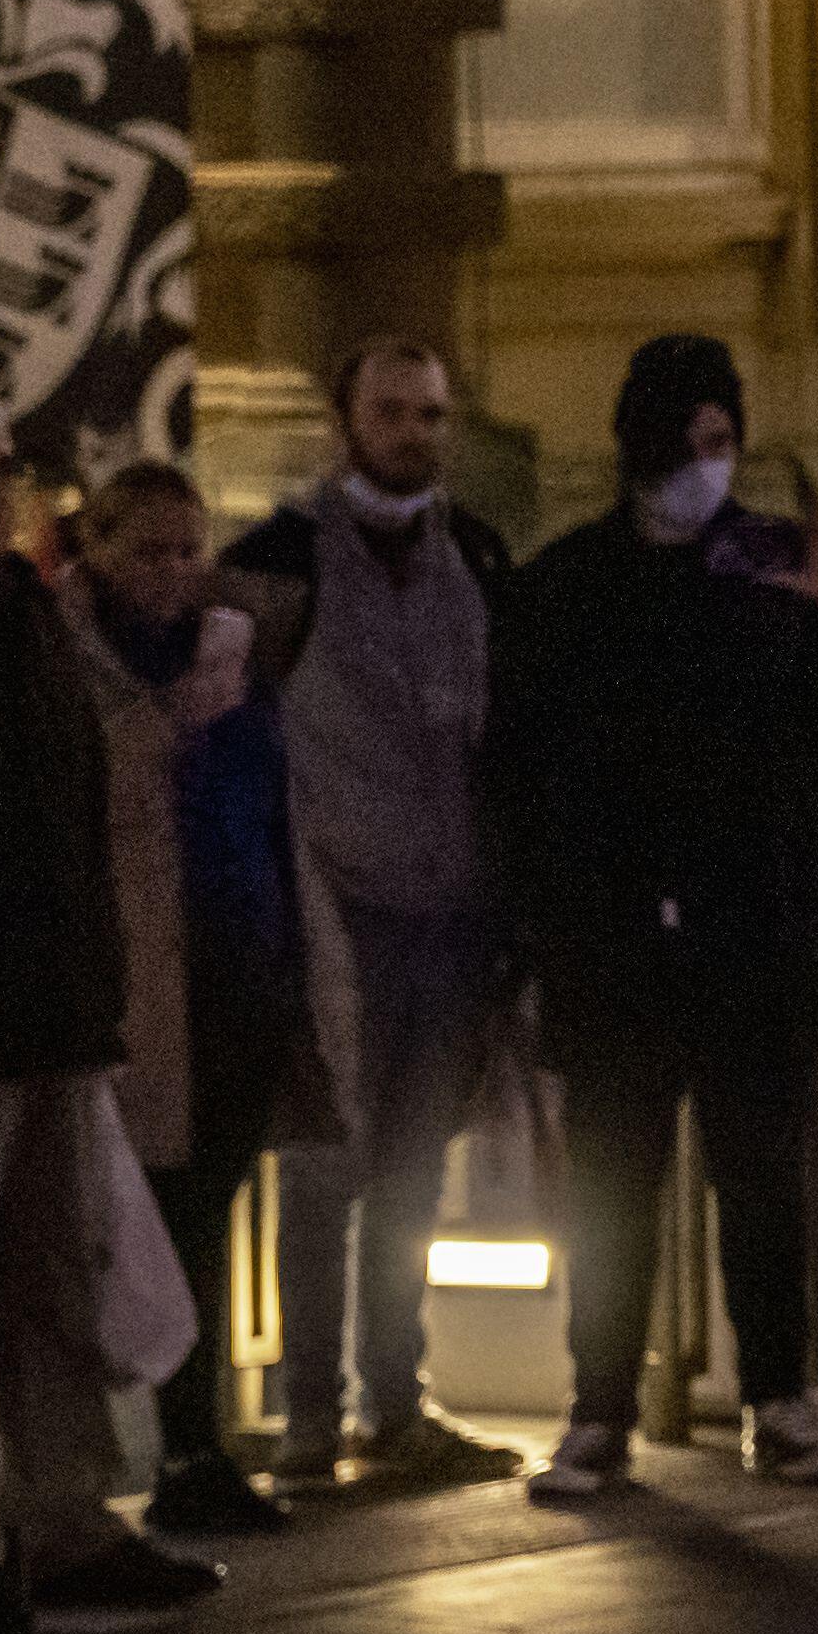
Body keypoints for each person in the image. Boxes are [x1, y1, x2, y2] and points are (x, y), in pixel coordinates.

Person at [481, 332, 818, 1489]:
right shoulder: (568, 583)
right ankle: (599, 1409)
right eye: (697, 442)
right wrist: (537, 922)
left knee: (762, 1177)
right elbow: (519, 764)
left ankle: (777, 1396)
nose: (714, 465)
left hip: (753, 931)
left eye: (727, 440)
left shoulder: (774, 561)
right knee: (614, 1184)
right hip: (617, 937)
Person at [0, 390, 204, 1632]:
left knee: (57, 1276)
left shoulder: (23, 609)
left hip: (55, 1002)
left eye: (3, 468)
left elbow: (73, 806)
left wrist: (98, 991)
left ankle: (64, 1519)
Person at [225, 336, 520, 1493]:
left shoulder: (479, 555)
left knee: (414, 1171)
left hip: (450, 908)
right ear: (343, 419)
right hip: (334, 909)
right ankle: (309, 1416)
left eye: (434, 415)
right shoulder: (281, 559)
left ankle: (397, 1399)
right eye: (393, 413)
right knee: (322, 1168)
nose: (415, 434)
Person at [75, 461, 302, 1543]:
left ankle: (198, 1446)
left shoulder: (233, 649)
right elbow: (92, 793)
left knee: (208, 1212)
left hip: (234, 969)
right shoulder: (78, 653)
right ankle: (121, 1455)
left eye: (186, 548)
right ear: (97, 547)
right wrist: (175, 717)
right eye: (145, 549)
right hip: (135, 979)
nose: (169, 572)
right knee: (125, 1217)